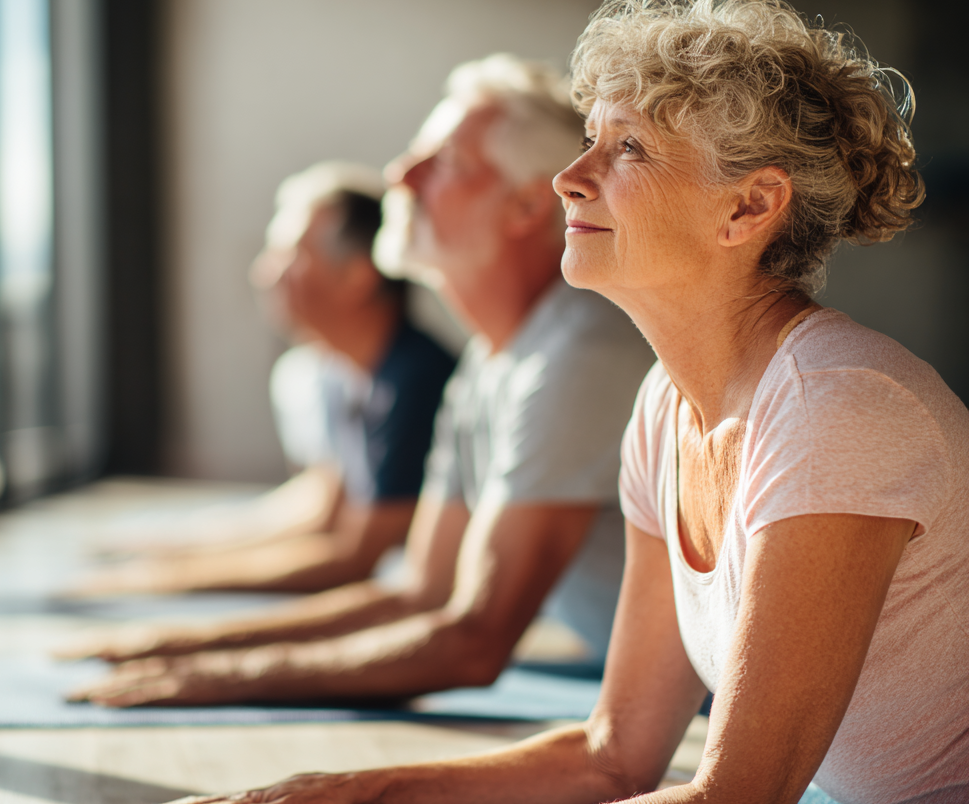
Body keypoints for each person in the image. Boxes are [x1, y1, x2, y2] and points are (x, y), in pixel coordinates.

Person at [121, 0, 968, 804]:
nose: (572, 176)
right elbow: (614, 758)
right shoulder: (664, 407)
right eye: (588, 141)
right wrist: (359, 790)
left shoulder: (837, 409)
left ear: (750, 207)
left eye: (629, 148)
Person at [63, 53, 655, 703]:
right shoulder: (488, 364)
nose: (401, 175)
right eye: (414, 155)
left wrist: (218, 676)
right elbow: (419, 592)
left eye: (446, 164)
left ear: (525, 207)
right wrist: (182, 644)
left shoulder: (577, 353)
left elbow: (474, 640)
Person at [70, 164, 455, 596]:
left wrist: (161, 579)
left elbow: (354, 556)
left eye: (288, 255)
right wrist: (169, 552)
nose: (264, 274)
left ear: (357, 276)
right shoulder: (348, 372)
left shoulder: (413, 382)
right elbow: (322, 507)